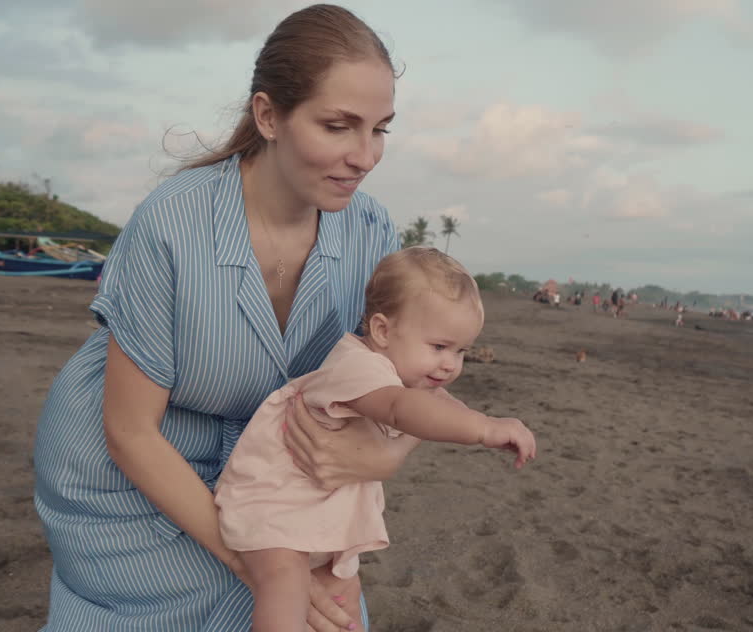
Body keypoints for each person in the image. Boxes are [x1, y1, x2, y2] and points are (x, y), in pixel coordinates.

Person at [33, 4, 415, 632]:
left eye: (380, 130)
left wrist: (386, 458)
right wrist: (258, 564)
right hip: (131, 473)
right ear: (269, 115)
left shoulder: (372, 232)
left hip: (270, 471)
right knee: (258, 607)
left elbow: (399, 379)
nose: (365, 155)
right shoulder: (173, 223)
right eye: (339, 126)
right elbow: (130, 434)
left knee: (334, 620)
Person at [215, 248, 536, 631]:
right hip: (273, 505)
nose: (451, 364)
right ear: (383, 330)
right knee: (284, 583)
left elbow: (440, 407)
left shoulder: (409, 377)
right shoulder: (358, 365)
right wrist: (484, 428)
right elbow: (403, 410)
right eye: (439, 347)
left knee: (344, 593)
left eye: (461, 351)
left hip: (322, 512)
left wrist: (477, 421)